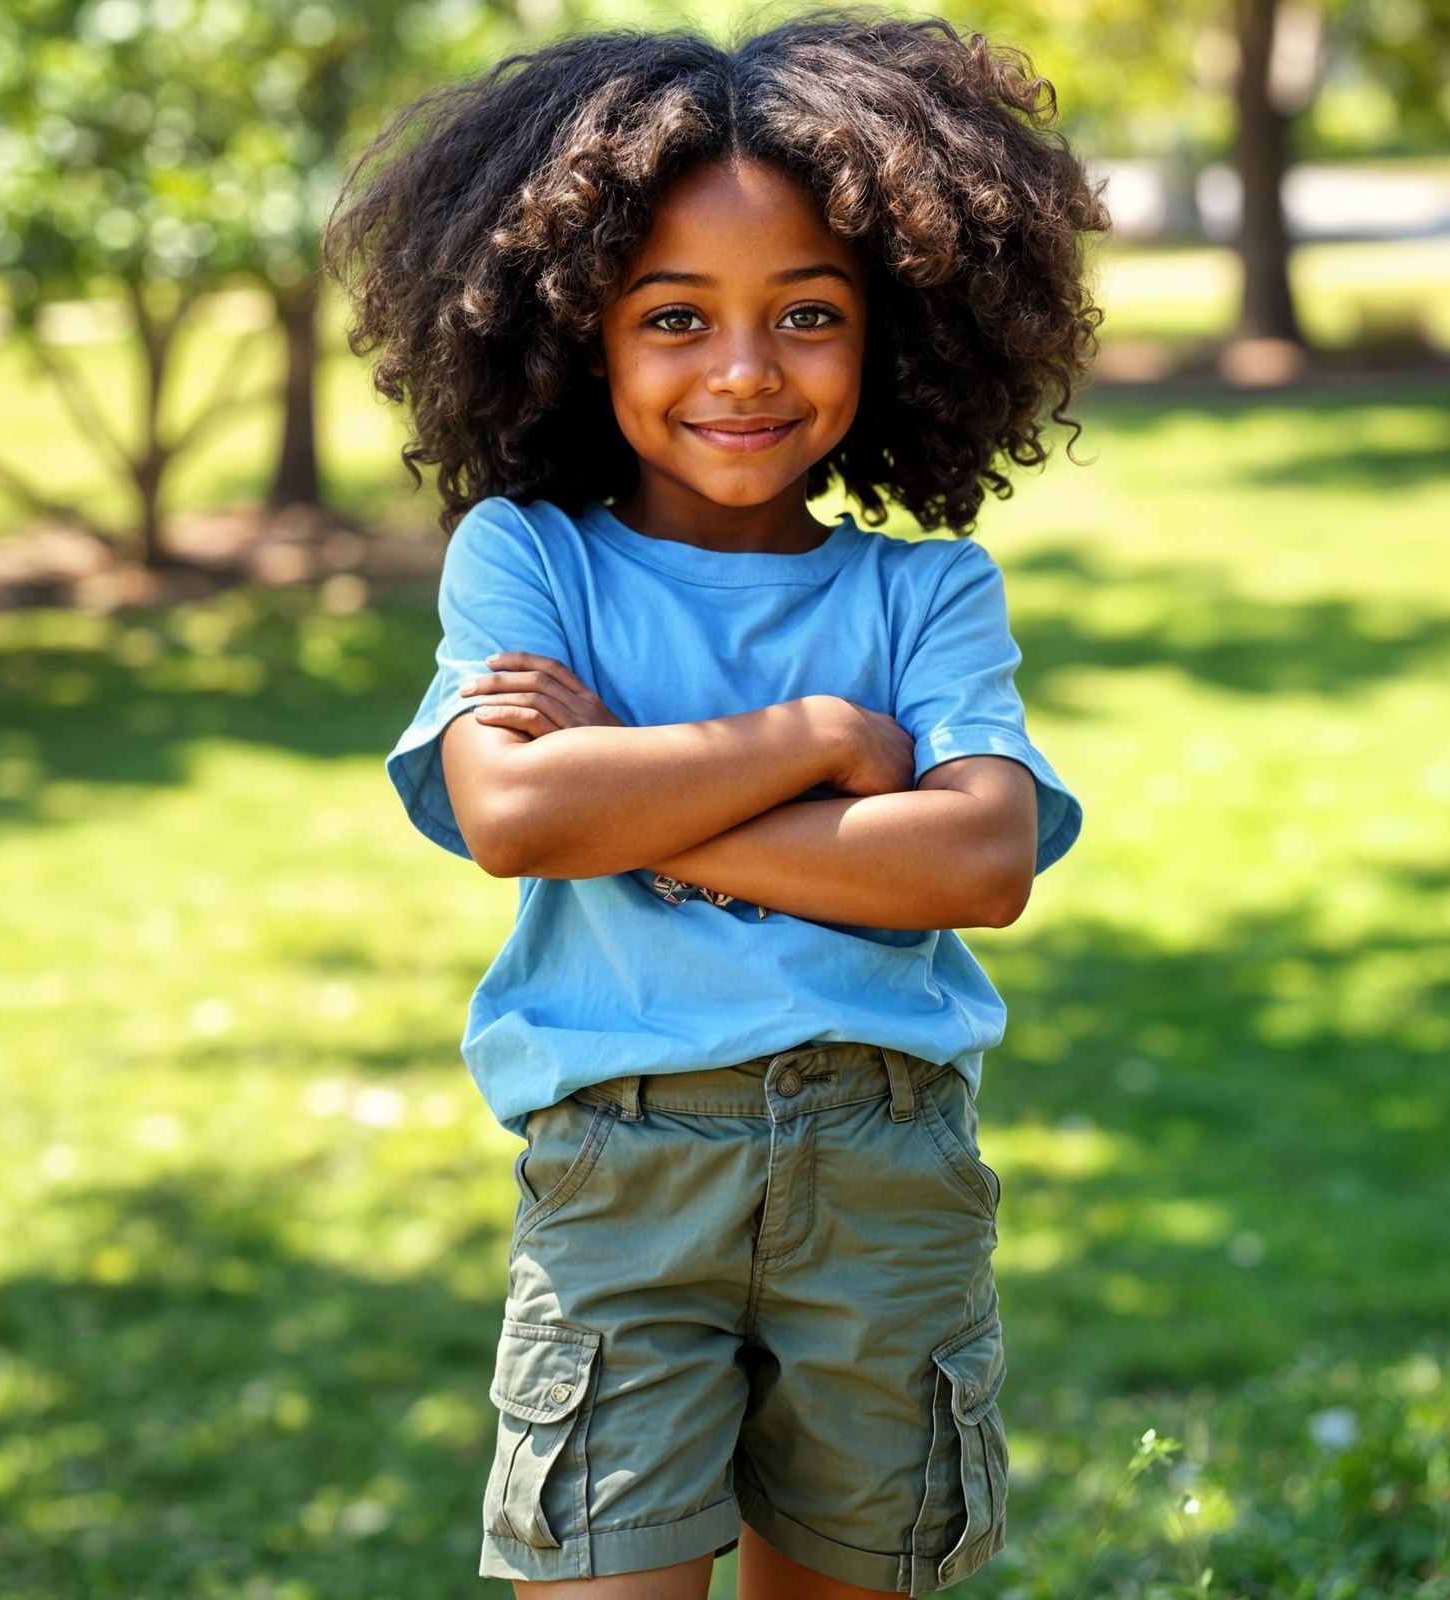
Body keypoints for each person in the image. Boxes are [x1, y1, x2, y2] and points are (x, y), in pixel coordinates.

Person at [322, 9, 1109, 1595]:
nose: (744, 371)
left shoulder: (927, 592)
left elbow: (979, 854)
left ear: (897, 327)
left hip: (886, 1186)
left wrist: (627, 772)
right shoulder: (525, 557)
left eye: (807, 313)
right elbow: (515, 819)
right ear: (572, 331)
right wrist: (822, 735)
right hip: (623, 1179)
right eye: (674, 318)